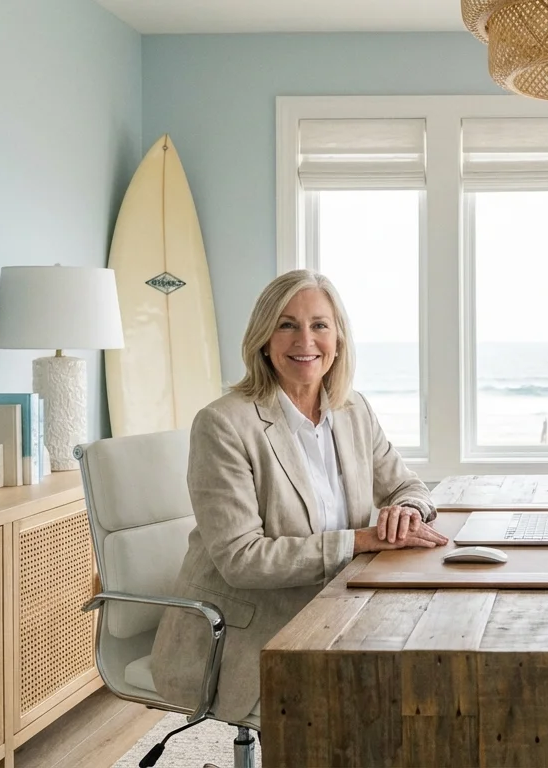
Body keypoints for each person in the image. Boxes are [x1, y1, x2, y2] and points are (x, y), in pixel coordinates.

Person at [150, 269, 447, 723]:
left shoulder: (353, 410)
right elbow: (242, 559)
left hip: (339, 607)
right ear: (263, 339)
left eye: (319, 325)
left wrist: (405, 513)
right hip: (248, 633)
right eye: (287, 324)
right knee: (383, 705)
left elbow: (408, 485)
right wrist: (362, 541)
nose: (304, 339)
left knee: (428, 677)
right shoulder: (224, 424)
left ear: (338, 339)